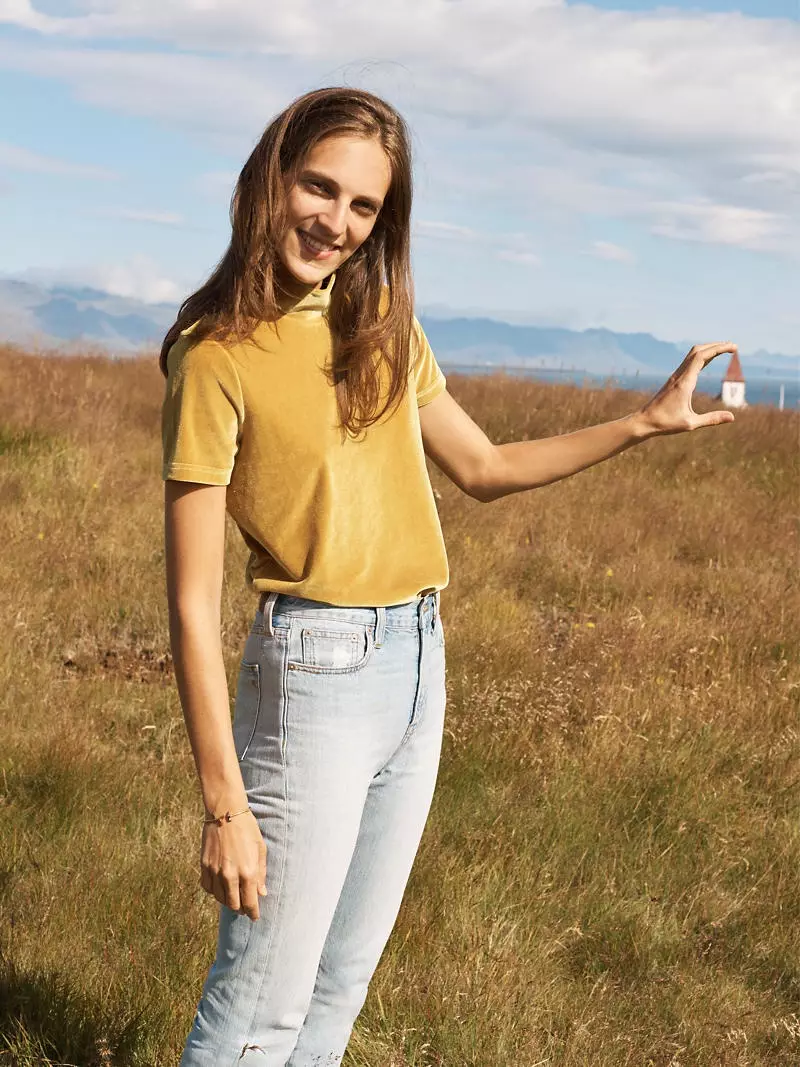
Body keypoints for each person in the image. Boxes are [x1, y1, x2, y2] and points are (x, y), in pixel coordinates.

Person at [160, 86, 736, 1066]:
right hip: (314, 673)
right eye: (318, 186)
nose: (333, 222)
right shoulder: (216, 354)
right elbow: (187, 595)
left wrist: (641, 424)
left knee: (337, 987)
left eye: (362, 207)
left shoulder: (379, 321)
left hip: (417, 662)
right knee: (258, 1005)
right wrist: (225, 806)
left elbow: (484, 468)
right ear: (272, 174)